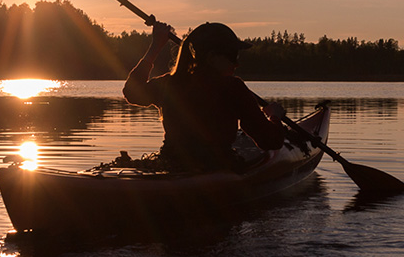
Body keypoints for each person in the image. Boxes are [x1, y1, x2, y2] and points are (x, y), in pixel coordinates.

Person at [123, 19, 286, 172]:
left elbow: (132, 93)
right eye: (232, 55)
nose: (237, 63)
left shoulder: (170, 83)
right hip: (216, 167)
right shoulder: (232, 88)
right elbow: (270, 141)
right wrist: (274, 117)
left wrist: (155, 47)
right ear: (211, 57)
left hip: (171, 164)